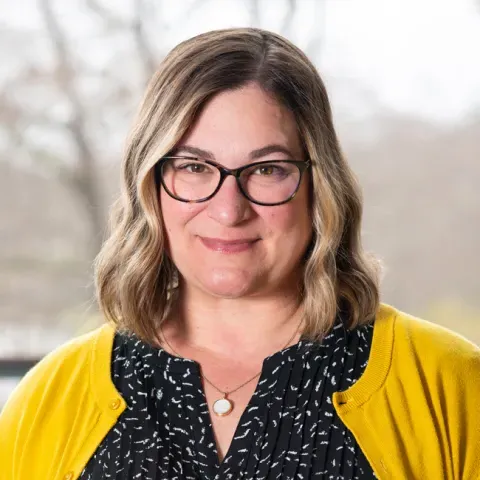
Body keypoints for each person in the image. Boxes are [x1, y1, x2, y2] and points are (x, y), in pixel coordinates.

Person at [1, 27, 479, 480]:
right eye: (193, 166)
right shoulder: (49, 399)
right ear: (150, 185)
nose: (229, 210)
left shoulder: (450, 384)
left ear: (319, 185)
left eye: (267, 169)